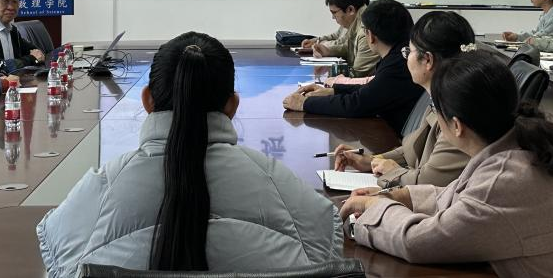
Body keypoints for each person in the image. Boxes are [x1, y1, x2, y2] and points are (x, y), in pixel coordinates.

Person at [37, 32, 341, 277]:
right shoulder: (284, 189)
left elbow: (60, 260)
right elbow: (326, 249)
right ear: (232, 105)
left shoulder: (99, 190)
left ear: (147, 100)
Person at [341, 51, 553, 277]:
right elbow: (459, 197)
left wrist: (375, 209)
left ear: (456, 125)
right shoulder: (515, 147)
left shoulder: (506, 178)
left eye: (436, 109)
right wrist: (398, 196)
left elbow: (416, 242)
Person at [332, 11, 474, 188]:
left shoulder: (458, 111)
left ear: (428, 60)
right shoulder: (437, 97)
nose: (405, 58)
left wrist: (391, 171)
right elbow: (412, 148)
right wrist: (372, 160)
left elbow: (425, 184)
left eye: (409, 52)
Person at [284, 0, 424, 132]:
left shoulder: (398, 65)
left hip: (398, 141)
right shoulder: (399, 56)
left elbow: (356, 105)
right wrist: (333, 91)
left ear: (370, 35)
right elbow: (373, 89)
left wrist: (304, 103)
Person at [300, 0, 379, 77]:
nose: (333, 17)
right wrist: (328, 51)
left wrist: (328, 71)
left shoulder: (366, 32)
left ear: (350, 10)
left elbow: (358, 75)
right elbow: (348, 47)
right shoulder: (354, 22)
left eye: (334, 12)